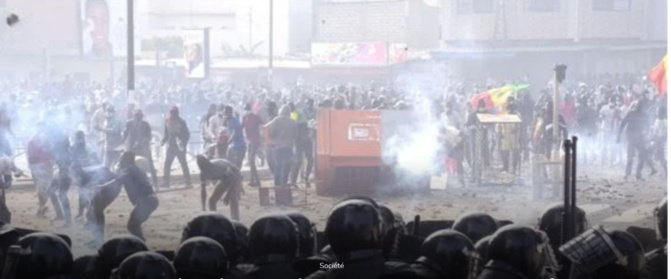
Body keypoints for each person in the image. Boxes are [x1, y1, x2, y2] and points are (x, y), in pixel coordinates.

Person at [93, 151, 159, 242]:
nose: (120, 160)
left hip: (146, 201)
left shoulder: (129, 169)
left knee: (132, 225)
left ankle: (142, 244)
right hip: (150, 201)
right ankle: (142, 242)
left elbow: (117, 181)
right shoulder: (134, 168)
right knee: (134, 224)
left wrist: (101, 187)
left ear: (127, 159)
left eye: (122, 158)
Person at [123, 109, 158, 188]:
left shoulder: (146, 124)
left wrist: (141, 141)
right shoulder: (129, 123)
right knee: (131, 166)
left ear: (141, 117)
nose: (137, 118)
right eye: (136, 116)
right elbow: (125, 134)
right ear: (134, 116)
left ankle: (155, 183)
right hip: (132, 148)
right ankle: (132, 185)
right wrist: (125, 144)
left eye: (139, 116)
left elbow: (149, 136)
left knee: (150, 165)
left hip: (143, 147)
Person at [264, 105, 297, 188]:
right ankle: (284, 182)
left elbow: (270, 132)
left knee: (278, 166)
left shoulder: (276, 120)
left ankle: (277, 184)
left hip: (277, 146)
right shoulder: (292, 121)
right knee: (287, 166)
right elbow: (296, 135)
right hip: (288, 147)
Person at [26, 122, 54, 218]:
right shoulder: (33, 140)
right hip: (39, 166)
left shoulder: (46, 138)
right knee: (42, 188)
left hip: (45, 165)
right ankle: (41, 208)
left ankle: (41, 208)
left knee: (45, 187)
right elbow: (31, 156)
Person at [617, 101, 649, 181]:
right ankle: (628, 174)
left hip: (638, 137)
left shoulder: (643, 115)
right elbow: (623, 123)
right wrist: (619, 135)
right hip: (632, 137)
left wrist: (646, 135)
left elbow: (648, 126)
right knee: (631, 156)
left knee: (640, 156)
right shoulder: (632, 113)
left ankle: (636, 174)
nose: (638, 108)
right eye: (638, 106)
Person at [161, 106, 191, 188]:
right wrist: (163, 141)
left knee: (183, 163)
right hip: (171, 146)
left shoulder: (181, 122)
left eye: (174, 112)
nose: (173, 114)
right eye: (171, 112)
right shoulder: (167, 121)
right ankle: (166, 183)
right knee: (167, 164)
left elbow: (187, 134)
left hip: (179, 145)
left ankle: (188, 181)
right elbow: (166, 134)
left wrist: (183, 143)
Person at [291, 99, 316, 186]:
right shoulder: (297, 113)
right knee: (301, 161)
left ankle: (302, 179)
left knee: (305, 160)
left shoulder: (298, 113)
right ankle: (298, 180)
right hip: (302, 140)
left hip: (303, 139)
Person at [242, 103, 264, 187]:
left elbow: (262, 124)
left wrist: (262, 136)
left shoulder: (255, 117)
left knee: (251, 159)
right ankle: (254, 179)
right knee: (250, 160)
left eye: (248, 109)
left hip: (256, 140)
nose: (247, 111)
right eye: (246, 109)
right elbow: (241, 127)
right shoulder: (244, 118)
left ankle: (256, 180)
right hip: (249, 140)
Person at [224, 105, 247, 170]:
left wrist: (228, 142)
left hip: (239, 146)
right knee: (230, 163)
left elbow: (235, 133)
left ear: (230, 112)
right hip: (233, 145)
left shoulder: (234, 121)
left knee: (237, 165)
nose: (225, 114)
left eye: (226, 112)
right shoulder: (229, 121)